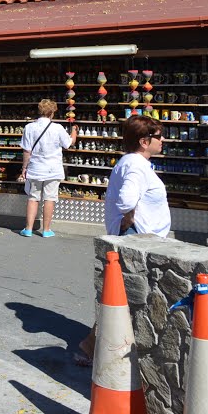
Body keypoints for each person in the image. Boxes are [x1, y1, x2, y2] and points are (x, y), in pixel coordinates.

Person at [75, 114, 169, 366]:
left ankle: (96, 347)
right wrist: (129, 219)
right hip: (138, 237)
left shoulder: (133, 163)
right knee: (125, 298)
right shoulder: (137, 165)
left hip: (138, 235)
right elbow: (127, 199)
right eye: (158, 136)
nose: (163, 140)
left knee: (123, 298)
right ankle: (93, 348)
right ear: (144, 141)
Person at [17, 99, 78, 237]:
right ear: (52, 112)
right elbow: (69, 143)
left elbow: (26, 151)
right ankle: (46, 230)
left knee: (33, 198)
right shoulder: (58, 128)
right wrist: (74, 131)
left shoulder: (29, 127)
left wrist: (24, 168)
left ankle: (28, 229)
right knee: (49, 198)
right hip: (53, 169)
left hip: (35, 168)